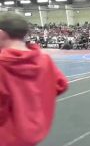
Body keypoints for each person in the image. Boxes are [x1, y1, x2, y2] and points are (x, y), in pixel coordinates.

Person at [0, 13, 68, 146]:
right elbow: (61, 84)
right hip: (34, 132)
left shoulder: (3, 64)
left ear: (1, 33)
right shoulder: (44, 60)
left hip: (7, 137)